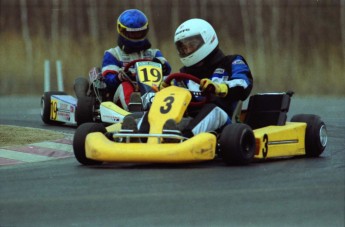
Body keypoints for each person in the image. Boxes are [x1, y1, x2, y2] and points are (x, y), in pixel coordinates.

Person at [124, 18, 253, 140]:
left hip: (224, 120)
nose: (187, 50)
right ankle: (140, 135)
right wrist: (163, 92)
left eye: (191, 45)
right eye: (183, 47)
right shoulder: (184, 74)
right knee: (158, 107)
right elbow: (173, 94)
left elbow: (243, 84)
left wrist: (219, 88)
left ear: (207, 39)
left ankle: (183, 138)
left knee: (212, 109)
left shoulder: (232, 62)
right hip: (188, 117)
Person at [75, 9, 171, 112]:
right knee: (125, 86)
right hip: (121, 96)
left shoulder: (153, 53)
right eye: (132, 34)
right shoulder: (113, 54)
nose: (136, 37)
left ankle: (167, 110)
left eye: (139, 33)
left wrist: (162, 65)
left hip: (152, 91)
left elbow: (167, 69)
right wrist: (119, 77)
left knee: (170, 85)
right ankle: (134, 111)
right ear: (122, 31)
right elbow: (108, 78)